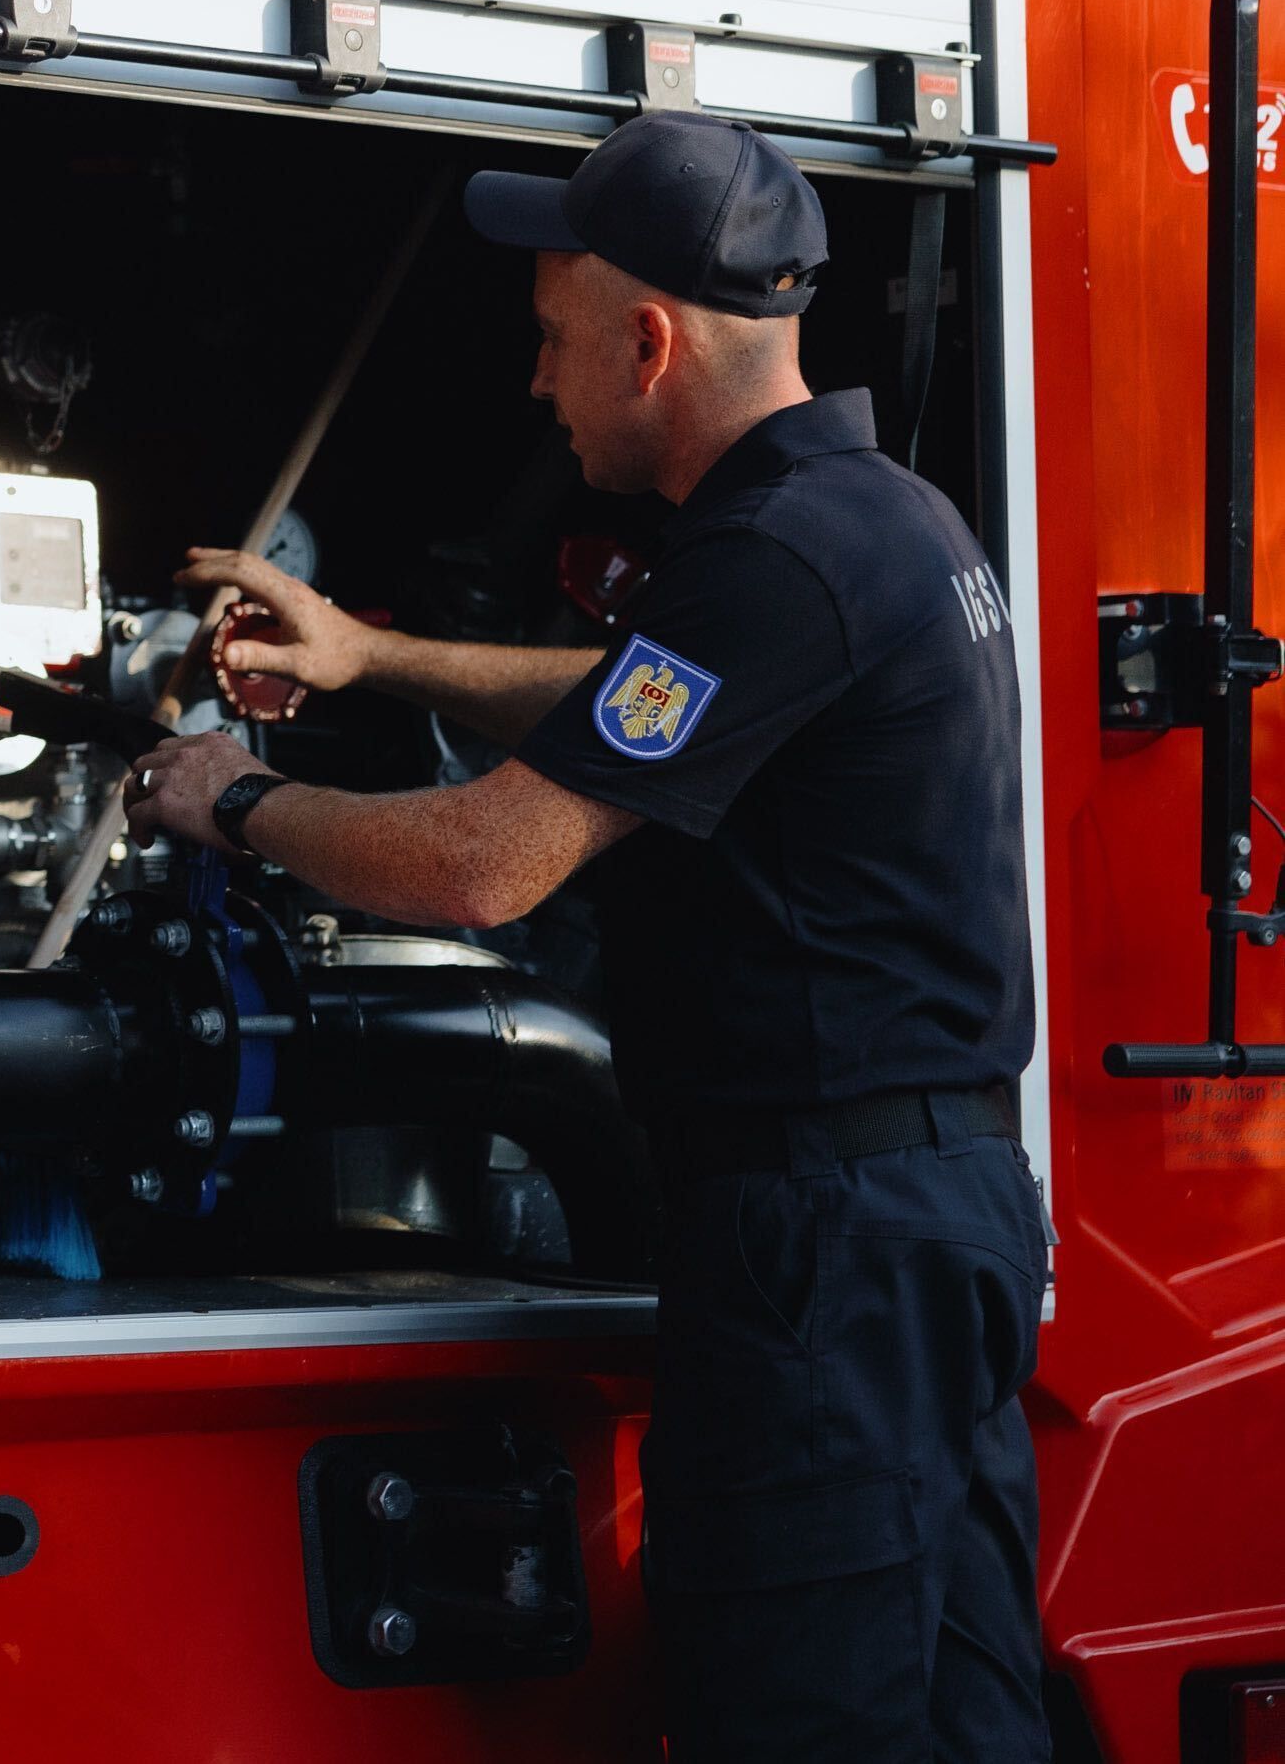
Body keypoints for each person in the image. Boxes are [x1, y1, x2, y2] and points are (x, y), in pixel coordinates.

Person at [120, 112, 1049, 1762]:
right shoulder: (879, 522)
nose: (536, 386)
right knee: (961, 1715)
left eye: (554, 343)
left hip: (821, 1253)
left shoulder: (771, 556)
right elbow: (648, 710)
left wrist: (234, 797)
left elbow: (486, 868)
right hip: (929, 1220)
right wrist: (373, 657)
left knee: (804, 1720)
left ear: (649, 341)